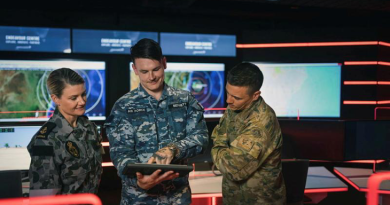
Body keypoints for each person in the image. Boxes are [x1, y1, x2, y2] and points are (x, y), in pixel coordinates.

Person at [105, 38, 209, 204]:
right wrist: (138, 181)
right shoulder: (123, 106)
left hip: (177, 198)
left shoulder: (185, 100)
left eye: (156, 69)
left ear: (164, 63)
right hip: (139, 198)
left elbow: (201, 138)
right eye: (144, 71)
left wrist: (174, 149)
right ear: (135, 69)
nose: (151, 77)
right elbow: (121, 154)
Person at [211, 62, 286, 205]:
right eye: (228, 92)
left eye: (237, 97)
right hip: (234, 198)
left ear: (255, 95)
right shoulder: (236, 106)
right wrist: (223, 149)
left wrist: (218, 147)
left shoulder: (261, 122)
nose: (228, 100)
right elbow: (221, 133)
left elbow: (232, 168)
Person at [28, 68, 103, 196]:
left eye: (83, 94)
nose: (82, 101)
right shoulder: (45, 140)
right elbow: (43, 198)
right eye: (74, 98)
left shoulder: (89, 127)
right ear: (56, 99)